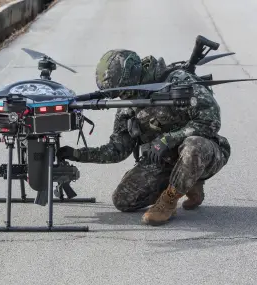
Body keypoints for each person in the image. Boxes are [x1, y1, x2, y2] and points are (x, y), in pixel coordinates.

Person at [56, 49, 231, 226]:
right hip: (163, 161)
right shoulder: (128, 106)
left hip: (205, 152)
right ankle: (185, 182)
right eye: (117, 93)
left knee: (193, 146)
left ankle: (170, 199)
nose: (121, 96)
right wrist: (77, 154)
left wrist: (168, 139)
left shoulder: (178, 82)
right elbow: (117, 150)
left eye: (122, 91)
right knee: (123, 200)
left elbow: (210, 121)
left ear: (132, 76)